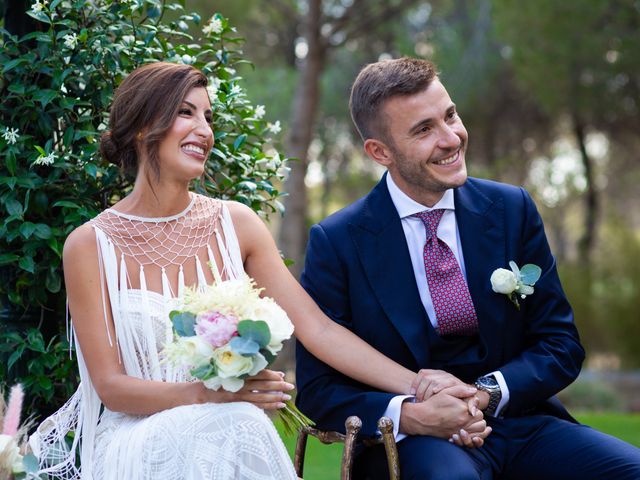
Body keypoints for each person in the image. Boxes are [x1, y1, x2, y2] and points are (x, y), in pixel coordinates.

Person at [28, 62, 479, 480]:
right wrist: (211, 396)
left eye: (208, 117)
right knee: (237, 420)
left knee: (236, 421)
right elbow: (110, 388)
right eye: (187, 113)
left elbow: (318, 329)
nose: (204, 130)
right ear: (145, 126)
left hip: (227, 426)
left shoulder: (236, 223)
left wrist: (419, 385)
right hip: (138, 439)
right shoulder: (90, 244)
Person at [295, 57, 640, 479]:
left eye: (451, 116)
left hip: (519, 422)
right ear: (380, 151)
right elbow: (317, 390)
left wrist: (483, 395)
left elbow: (560, 344)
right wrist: (414, 415)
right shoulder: (338, 240)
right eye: (424, 129)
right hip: (409, 446)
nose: (451, 138)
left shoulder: (512, 209)